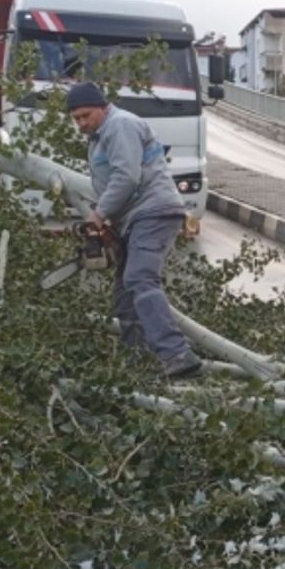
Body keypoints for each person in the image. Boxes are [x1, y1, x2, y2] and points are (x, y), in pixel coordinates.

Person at [66, 81, 202, 379]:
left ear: (102, 107)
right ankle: (138, 364)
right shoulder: (99, 136)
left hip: (153, 211)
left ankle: (177, 354)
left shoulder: (120, 126)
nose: (81, 123)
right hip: (134, 218)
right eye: (76, 118)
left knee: (139, 277)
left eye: (86, 115)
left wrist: (98, 215)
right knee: (125, 294)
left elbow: (126, 177)